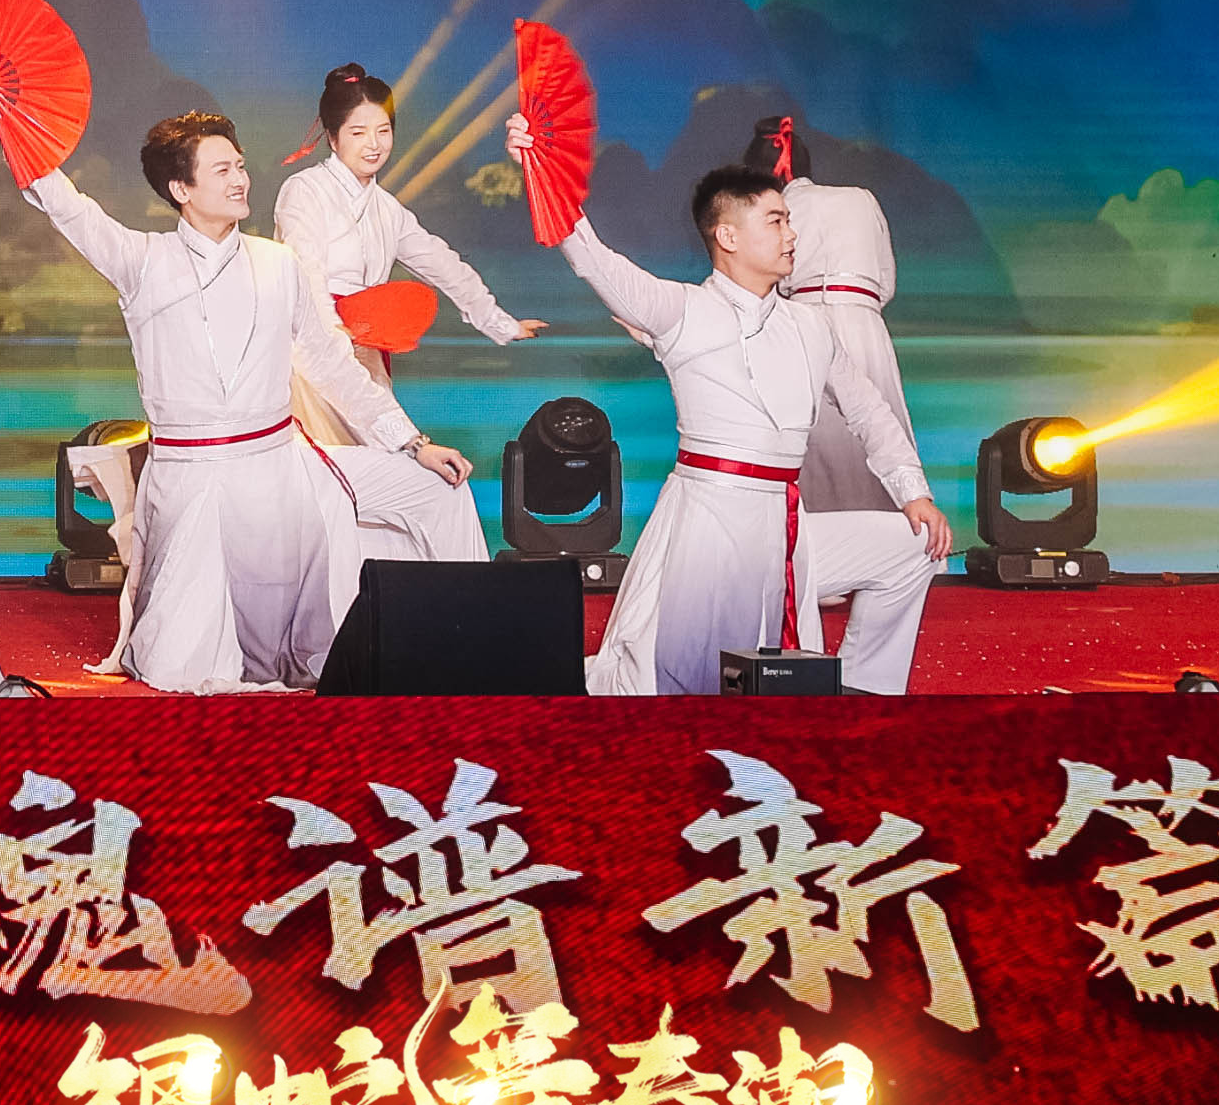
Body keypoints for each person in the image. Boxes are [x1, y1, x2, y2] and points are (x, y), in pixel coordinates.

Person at [0, 78, 487, 691]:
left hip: (283, 465)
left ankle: (475, 644)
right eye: (222, 171)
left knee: (440, 485)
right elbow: (67, 206)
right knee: (186, 666)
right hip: (196, 479)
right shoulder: (143, 261)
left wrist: (412, 442)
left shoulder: (278, 263)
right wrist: (5, 117)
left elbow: (331, 365)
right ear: (181, 189)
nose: (241, 180)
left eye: (241, 166)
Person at [516, 119, 951, 697]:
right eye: (776, 221)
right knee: (671, 681)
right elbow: (595, 260)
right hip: (711, 525)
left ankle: (863, 690)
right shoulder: (682, 309)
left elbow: (870, 413)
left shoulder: (811, 326)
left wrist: (912, 492)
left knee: (916, 544)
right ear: (727, 235)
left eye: (789, 220)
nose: (792, 234)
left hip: (788, 528)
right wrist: (540, 168)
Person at [270, 62, 544, 425]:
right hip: (313, 353)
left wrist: (499, 322)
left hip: (368, 349)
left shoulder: (387, 208)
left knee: (387, 448)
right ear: (333, 138)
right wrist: (334, 339)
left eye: (383, 130)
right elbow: (307, 273)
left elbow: (441, 263)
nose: (374, 144)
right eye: (358, 133)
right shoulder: (305, 190)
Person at [744, 114, 923, 522]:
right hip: (865, 323)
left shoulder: (773, 211)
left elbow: (766, 283)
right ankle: (891, 531)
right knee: (879, 425)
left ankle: (820, 544)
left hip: (805, 322)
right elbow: (886, 283)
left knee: (815, 444)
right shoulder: (861, 198)